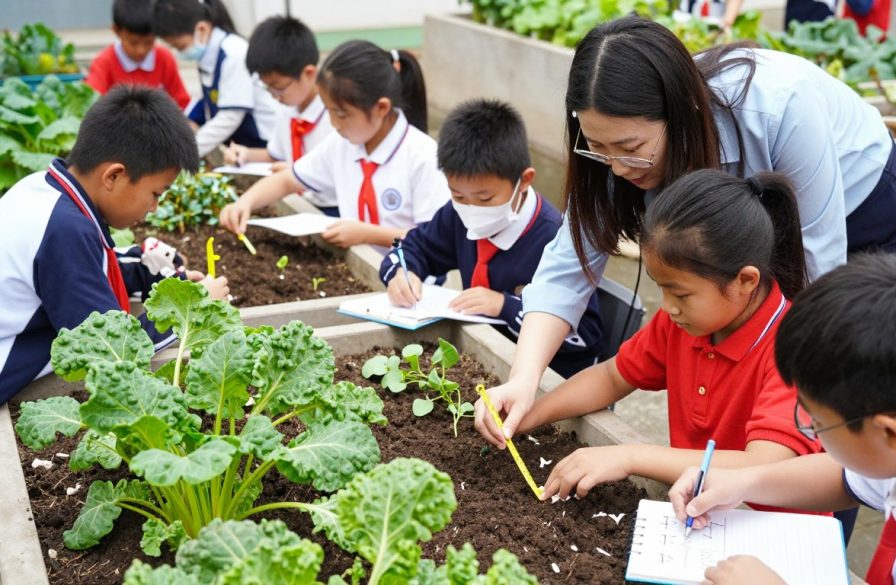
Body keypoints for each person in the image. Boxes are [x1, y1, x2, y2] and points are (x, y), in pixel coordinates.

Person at [474, 15, 896, 446]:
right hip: (747, 228)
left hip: (860, 211)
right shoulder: (618, 150)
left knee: (833, 394)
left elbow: (819, 276)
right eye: (597, 148)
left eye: (631, 149)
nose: (614, 167)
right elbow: (567, 265)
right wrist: (524, 379)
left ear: (681, 115)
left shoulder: (781, 106)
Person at [670, 254, 896, 585]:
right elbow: (845, 475)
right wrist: (742, 482)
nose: (811, 431)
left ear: (890, 435)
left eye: (818, 423)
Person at [506, 169, 823, 502]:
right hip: (699, 512)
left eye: (681, 294)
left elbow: (762, 464)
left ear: (745, 281)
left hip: (770, 531)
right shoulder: (684, 322)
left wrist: (629, 456)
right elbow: (613, 377)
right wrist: (528, 414)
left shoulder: (796, 348)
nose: (668, 308)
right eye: (662, 290)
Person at [0, 86, 229, 404]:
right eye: (155, 194)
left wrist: (150, 270)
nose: (154, 208)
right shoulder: (65, 230)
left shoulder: (42, 189)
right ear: (114, 176)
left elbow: (84, 270)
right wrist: (192, 312)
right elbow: (114, 350)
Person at [380, 99, 604, 379]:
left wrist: (504, 306)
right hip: (481, 361)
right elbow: (412, 248)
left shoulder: (556, 239)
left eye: (485, 198)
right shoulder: (457, 216)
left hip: (546, 378)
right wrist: (402, 273)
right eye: (458, 195)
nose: (471, 209)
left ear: (524, 181)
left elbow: (585, 335)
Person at [219, 40, 449, 252]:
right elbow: (287, 180)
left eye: (342, 114)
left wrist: (369, 234)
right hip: (366, 271)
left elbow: (435, 241)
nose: (334, 124)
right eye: (329, 111)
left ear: (381, 108)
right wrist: (244, 203)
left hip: (415, 286)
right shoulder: (342, 145)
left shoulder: (423, 156)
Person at [220, 16, 339, 216]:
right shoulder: (288, 108)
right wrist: (247, 154)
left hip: (331, 207)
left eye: (279, 88)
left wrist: (294, 171)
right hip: (299, 203)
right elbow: (274, 154)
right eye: (268, 90)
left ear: (308, 73)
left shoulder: (337, 115)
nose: (275, 97)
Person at [152, 0, 279, 157]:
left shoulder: (233, 54)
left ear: (202, 29)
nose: (179, 52)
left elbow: (230, 117)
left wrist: (185, 151)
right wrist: (186, 123)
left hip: (262, 144)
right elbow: (208, 100)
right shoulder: (208, 53)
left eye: (180, 47)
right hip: (241, 147)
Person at [85, 0, 191, 109]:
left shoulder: (165, 58)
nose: (141, 50)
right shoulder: (103, 63)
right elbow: (90, 104)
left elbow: (182, 103)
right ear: (116, 31)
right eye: (133, 43)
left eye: (149, 42)